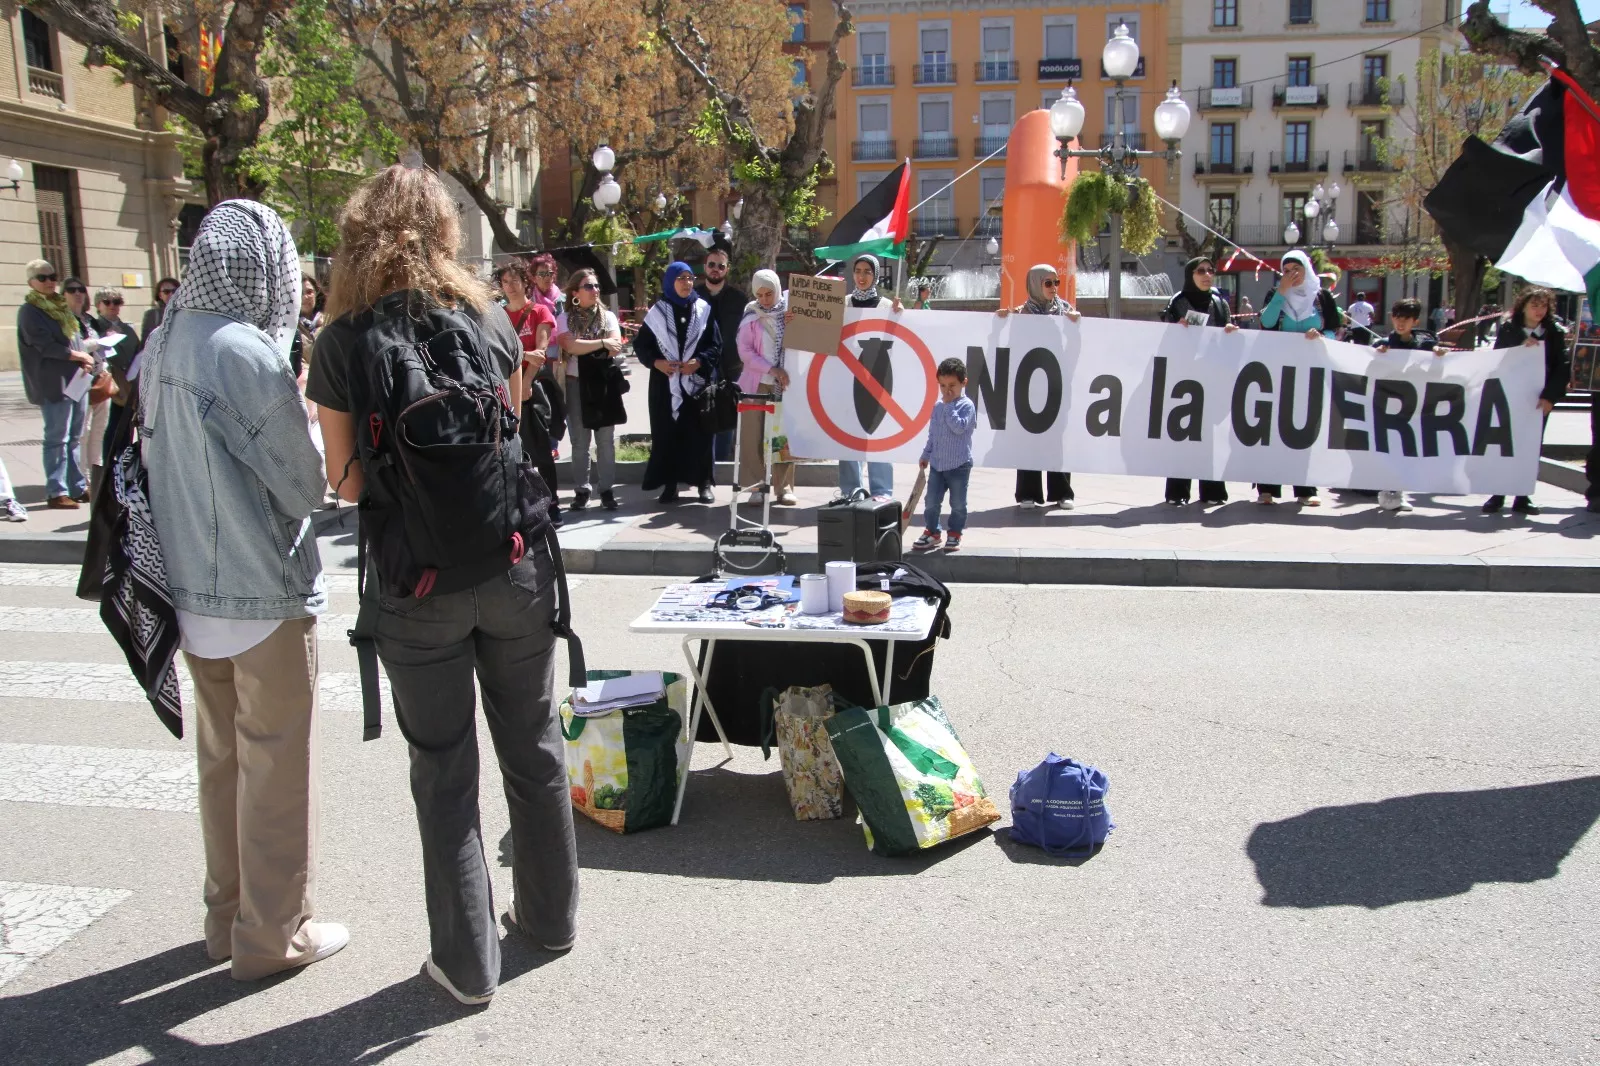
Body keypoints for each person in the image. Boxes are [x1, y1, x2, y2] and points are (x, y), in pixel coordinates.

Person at [309, 164, 577, 1005]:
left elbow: (346, 483)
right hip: (513, 564)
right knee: (534, 745)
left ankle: (466, 966)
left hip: (415, 582)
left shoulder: (341, 344)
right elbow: (510, 434)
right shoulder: (488, 317)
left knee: (444, 772)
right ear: (446, 233)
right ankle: (551, 921)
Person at [138, 199, 342, 982]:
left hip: (189, 589)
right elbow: (304, 484)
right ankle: (275, 935)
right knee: (277, 770)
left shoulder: (167, 339)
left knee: (222, 763)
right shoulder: (240, 350)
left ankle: (227, 920)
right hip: (258, 589)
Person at [637, 262, 722, 504]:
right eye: (681, 278)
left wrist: (698, 362)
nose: (687, 283)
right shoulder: (658, 313)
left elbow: (716, 345)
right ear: (670, 281)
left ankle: (704, 484)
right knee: (668, 434)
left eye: (690, 278)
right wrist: (657, 362)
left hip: (697, 384)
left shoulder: (703, 310)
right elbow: (641, 346)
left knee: (701, 435)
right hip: (665, 385)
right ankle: (670, 484)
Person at [997, 263, 1079, 509]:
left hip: (1056, 383)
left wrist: (1075, 326)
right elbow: (1008, 346)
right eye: (1048, 283)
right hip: (1029, 385)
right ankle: (1028, 493)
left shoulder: (1066, 312)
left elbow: (1075, 345)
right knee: (1028, 437)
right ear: (1035, 284)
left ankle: (1062, 491)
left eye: (1056, 282)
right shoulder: (1021, 314)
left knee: (1057, 437)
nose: (1054, 287)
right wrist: (1001, 322)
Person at [1159, 257, 1238, 506]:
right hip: (1185, 377)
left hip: (1212, 375)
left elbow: (1227, 330)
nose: (1207, 275)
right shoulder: (1178, 301)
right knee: (1182, 433)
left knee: (1210, 436)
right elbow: (1165, 335)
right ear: (1190, 274)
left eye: (1210, 270)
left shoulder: (1219, 302)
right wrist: (1177, 327)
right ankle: (1177, 492)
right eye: (1200, 271)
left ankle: (1212, 492)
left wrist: (1230, 330)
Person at [16, 259, 95, 509]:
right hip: (53, 384)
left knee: (75, 437)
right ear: (31, 282)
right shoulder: (30, 310)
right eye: (42, 278)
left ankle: (77, 487)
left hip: (76, 381)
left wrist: (85, 359)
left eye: (52, 276)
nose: (49, 281)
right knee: (57, 438)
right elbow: (45, 346)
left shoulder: (60, 306)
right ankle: (56, 491)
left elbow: (74, 339)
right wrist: (79, 356)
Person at [1483, 287, 1568, 515]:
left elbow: (1562, 366)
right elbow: (1498, 358)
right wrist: (1521, 343)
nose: (1539, 311)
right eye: (1534, 305)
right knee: (1504, 445)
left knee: (1530, 446)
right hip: (1510, 396)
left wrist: (1550, 397)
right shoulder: (1509, 329)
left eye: (1543, 306)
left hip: (1538, 400)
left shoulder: (1554, 331)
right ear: (1523, 307)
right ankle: (1498, 494)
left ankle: (1522, 496)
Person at [1254, 250, 1328, 507]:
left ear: (1307, 268)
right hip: (1278, 371)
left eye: (1297, 269)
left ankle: (1305, 489)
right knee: (1273, 428)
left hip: (1310, 372)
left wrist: (1321, 336)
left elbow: (1334, 328)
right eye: (1287, 270)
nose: (1292, 274)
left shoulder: (1321, 296)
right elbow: (1267, 322)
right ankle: (1267, 488)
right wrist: (1281, 293)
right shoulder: (1275, 294)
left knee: (1303, 428)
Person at [555, 268, 625, 511]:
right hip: (576, 383)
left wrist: (592, 345)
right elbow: (571, 346)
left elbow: (616, 347)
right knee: (580, 441)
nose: (595, 290)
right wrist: (602, 342)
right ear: (575, 292)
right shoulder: (564, 318)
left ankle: (606, 490)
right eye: (588, 286)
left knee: (605, 440)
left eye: (596, 286)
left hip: (603, 384)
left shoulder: (609, 317)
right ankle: (582, 491)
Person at [498, 262, 562, 522]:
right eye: (505, 282)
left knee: (541, 450)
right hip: (507, 391)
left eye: (515, 280)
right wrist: (524, 354)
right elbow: (498, 352)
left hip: (533, 388)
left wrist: (525, 383)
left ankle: (552, 504)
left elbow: (541, 353)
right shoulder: (499, 316)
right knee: (513, 451)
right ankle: (523, 506)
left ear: (526, 282)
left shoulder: (539, 311)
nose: (510, 286)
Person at [1372, 298, 1449, 512]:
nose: (1400, 322)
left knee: (1406, 451)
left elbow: (1437, 369)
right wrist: (1378, 354)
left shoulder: (1425, 345)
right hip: (1386, 406)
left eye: (1406, 318)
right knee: (1387, 450)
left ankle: (1397, 491)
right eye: (1397, 317)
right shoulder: (1382, 344)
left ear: (1415, 321)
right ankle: (1386, 489)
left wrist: (1438, 355)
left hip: (1414, 408)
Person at [838, 254, 903, 499]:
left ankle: (881, 490)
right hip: (846, 376)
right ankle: (851, 489)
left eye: (867, 271)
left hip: (878, 377)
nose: (862, 276)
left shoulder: (887, 306)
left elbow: (899, 338)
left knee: (879, 432)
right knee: (846, 434)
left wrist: (900, 315)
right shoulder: (842, 303)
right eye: (858, 271)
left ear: (875, 275)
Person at [735, 269, 797, 506]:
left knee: (782, 437)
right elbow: (745, 352)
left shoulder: (790, 311)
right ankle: (756, 487)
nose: (764, 300)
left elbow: (805, 338)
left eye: (769, 294)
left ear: (778, 290)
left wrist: (795, 324)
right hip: (756, 384)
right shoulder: (751, 315)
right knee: (753, 435)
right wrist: (772, 369)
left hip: (785, 384)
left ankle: (784, 487)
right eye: (759, 295)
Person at [913, 357, 976, 551]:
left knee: (958, 503)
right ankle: (932, 531)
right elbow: (933, 434)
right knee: (931, 501)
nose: (947, 390)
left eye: (952, 385)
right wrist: (926, 454)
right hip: (937, 465)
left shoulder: (966, 406)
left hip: (959, 465)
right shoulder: (938, 406)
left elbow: (959, 428)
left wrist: (949, 406)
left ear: (963, 383)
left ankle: (955, 533)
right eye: (943, 386)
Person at [696, 244, 747, 463]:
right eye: (712, 265)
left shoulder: (739, 299)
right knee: (699, 415)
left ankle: (723, 464)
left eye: (721, 266)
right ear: (705, 267)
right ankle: (701, 464)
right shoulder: (694, 296)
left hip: (731, 368)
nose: (715, 269)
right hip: (699, 367)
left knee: (727, 416)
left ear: (727, 269)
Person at [63, 277, 112, 501]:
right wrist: (96, 344)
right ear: (63, 294)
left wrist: (107, 343)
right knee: (82, 432)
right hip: (79, 380)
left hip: (100, 378)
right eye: (71, 290)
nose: (77, 293)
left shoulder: (90, 320)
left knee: (99, 431)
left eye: (81, 289)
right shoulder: (64, 320)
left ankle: (96, 475)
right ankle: (81, 479)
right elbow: (70, 347)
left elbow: (100, 347)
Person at [94, 287, 139, 469]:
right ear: (98, 305)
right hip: (109, 384)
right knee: (111, 428)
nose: (113, 306)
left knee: (127, 428)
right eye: (107, 302)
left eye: (117, 302)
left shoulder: (127, 329)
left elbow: (137, 352)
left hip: (129, 385)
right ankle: (108, 467)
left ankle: (124, 465)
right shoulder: (95, 327)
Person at [289, 275, 324, 381]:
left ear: (316, 293)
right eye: (300, 293)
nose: (305, 297)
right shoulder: (290, 328)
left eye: (309, 292)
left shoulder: (330, 321)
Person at [141, 276, 179, 344]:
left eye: (174, 291)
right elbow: (146, 341)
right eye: (166, 292)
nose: (171, 294)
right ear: (160, 295)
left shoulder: (188, 312)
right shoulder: (152, 315)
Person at [527, 252, 563, 318]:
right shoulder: (529, 305)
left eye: (550, 273)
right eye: (542, 274)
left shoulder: (565, 300)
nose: (547, 277)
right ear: (534, 278)